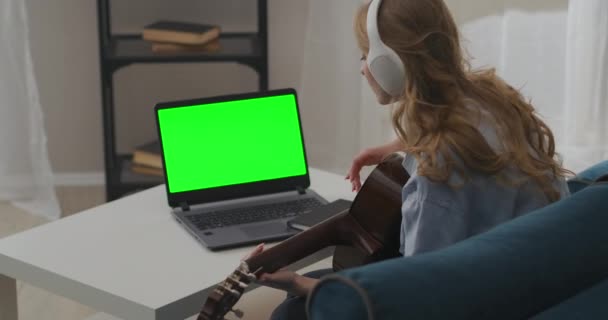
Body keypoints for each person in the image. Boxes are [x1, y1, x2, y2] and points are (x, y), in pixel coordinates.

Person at [246, 0, 571, 319]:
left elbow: (415, 295)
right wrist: (393, 146)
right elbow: (461, 130)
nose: (362, 67)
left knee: (292, 309)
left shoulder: (436, 175)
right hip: (537, 277)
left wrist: (296, 282)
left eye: (365, 55)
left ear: (389, 64)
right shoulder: (492, 97)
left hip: (488, 300)